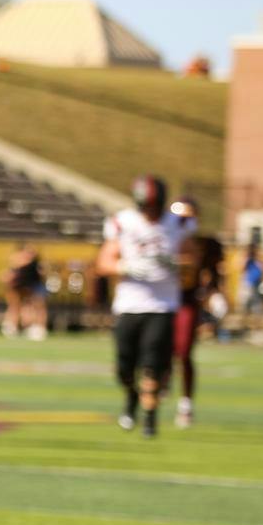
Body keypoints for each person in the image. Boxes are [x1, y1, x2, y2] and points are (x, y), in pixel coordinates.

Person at [95, 175, 192, 438]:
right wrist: (124, 266)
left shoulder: (178, 222)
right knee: (124, 368)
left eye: (154, 206)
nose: (150, 212)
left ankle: (150, 418)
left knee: (152, 365)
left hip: (162, 305)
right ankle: (131, 396)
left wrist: (177, 264)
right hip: (128, 304)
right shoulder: (123, 223)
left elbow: (191, 259)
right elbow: (103, 262)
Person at [169, 197, 222, 429]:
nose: (183, 223)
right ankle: (157, 386)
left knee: (184, 350)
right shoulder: (162, 235)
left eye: (188, 218)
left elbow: (214, 274)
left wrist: (211, 295)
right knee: (158, 349)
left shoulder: (205, 243)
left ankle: (185, 403)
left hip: (187, 299)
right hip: (160, 300)